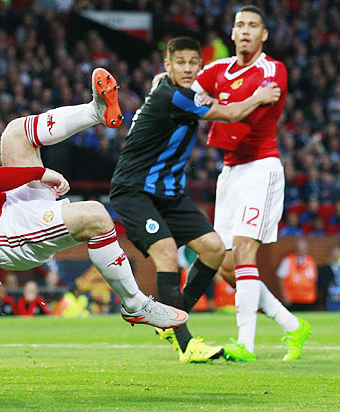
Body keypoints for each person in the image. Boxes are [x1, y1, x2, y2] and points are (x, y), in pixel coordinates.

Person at [0, 68, 190, 333]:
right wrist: (41, 173)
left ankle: (96, 110)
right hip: (5, 234)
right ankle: (135, 304)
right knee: (96, 215)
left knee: (15, 133)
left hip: (6, 211)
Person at [109, 36, 281, 363]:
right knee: (167, 252)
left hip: (169, 193)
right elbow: (228, 114)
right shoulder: (172, 96)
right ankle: (187, 345)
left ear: (199, 65)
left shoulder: (179, 91)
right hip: (134, 190)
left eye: (193, 62)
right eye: (180, 62)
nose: (187, 68)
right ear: (168, 65)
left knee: (215, 249)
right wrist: (259, 97)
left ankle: (173, 318)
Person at [192, 5, 311, 361]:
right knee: (226, 266)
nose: (245, 31)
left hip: (262, 168)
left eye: (253, 26)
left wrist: (212, 102)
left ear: (264, 36)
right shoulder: (217, 69)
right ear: (231, 33)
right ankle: (292, 326)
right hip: (229, 173)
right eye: (239, 25)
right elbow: (186, 91)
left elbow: (243, 110)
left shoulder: (273, 70)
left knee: (244, 252)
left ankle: (245, 344)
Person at [276, 239, 318, 311]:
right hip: (292, 299)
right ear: (296, 249)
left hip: (308, 299)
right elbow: (280, 277)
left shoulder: (311, 261)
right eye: (299, 248)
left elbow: (314, 279)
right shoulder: (288, 260)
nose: (301, 250)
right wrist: (284, 294)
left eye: (303, 248)